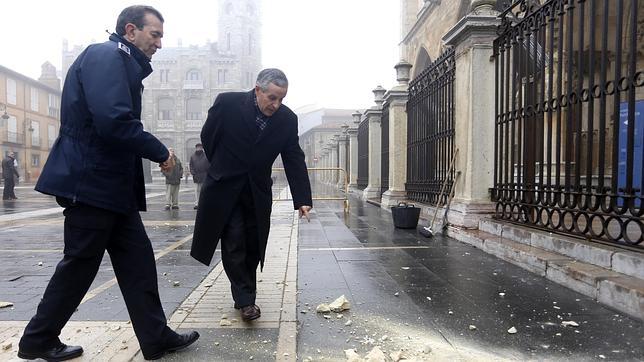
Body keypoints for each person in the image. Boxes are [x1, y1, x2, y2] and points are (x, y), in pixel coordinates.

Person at [18, 6, 199, 361]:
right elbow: (114, 121)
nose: (160, 43)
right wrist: (161, 151)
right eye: (155, 34)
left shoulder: (120, 62)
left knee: (138, 263)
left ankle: (155, 336)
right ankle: (38, 338)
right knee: (80, 264)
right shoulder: (107, 56)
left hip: (110, 188)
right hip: (92, 183)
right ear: (130, 31)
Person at [191, 68, 312, 322]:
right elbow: (208, 137)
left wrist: (302, 199)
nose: (276, 104)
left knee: (254, 242)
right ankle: (246, 301)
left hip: (256, 191)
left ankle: (246, 294)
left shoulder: (287, 119)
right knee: (234, 239)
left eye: (281, 99)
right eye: (272, 97)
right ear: (258, 90)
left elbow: (293, 157)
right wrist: (223, 166)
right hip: (225, 187)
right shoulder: (228, 103)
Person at [189, 143, 209, 209]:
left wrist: (207, 173)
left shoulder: (206, 156)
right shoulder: (192, 156)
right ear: (196, 148)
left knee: (203, 190)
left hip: (204, 176)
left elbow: (209, 165)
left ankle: (203, 203)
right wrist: (192, 172)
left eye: (200, 147)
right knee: (196, 190)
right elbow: (191, 165)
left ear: (202, 148)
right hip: (196, 176)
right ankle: (197, 203)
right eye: (198, 147)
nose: (199, 148)